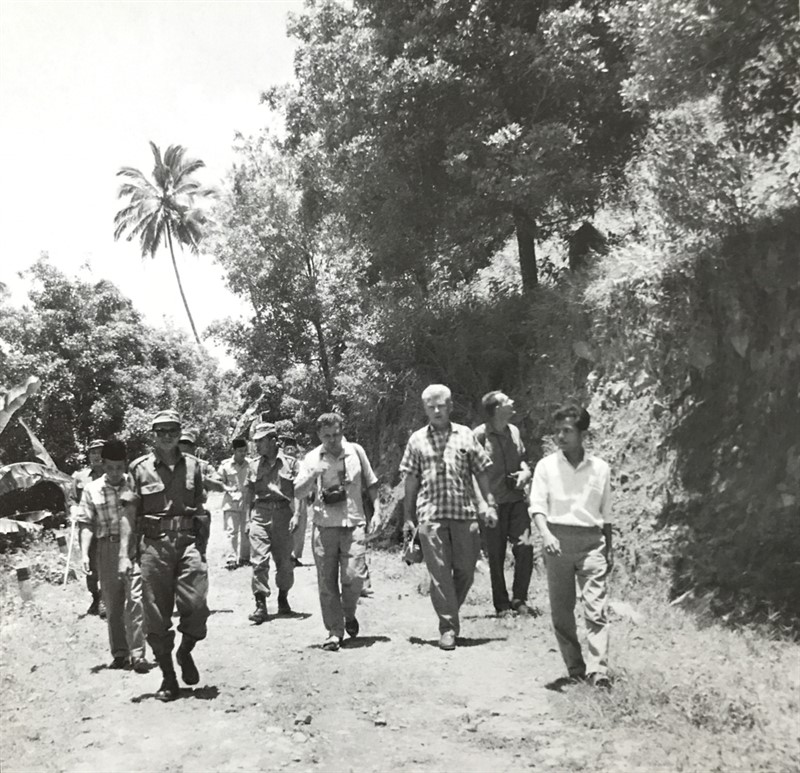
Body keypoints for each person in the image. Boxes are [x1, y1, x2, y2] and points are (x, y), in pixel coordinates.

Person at [400, 384, 497, 651]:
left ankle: (448, 610)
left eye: (441, 404)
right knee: (440, 575)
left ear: (450, 406)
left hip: (465, 514)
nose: (436, 410)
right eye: (430, 406)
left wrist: (488, 503)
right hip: (430, 517)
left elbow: (481, 470)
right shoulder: (417, 440)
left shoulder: (466, 435)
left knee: (466, 570)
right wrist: (408, 516)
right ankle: (448, 628)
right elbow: (410, 480)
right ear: (424, 409)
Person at [125, 410, 210, 702]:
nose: (166, 434)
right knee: (156, 615)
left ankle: (185, 651)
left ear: (179, 431)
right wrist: (128, 553)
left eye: (172, 429)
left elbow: (201, 509)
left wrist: (203, 546)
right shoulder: (139, 469)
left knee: (197, 605)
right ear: (153, 434)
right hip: (154, 546)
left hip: (187, 543)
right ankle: (168, 677)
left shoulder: (194, 467)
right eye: (160, 430)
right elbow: (130, 514)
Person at [529, 403, 613, 689]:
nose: (560, 437)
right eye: (557, 432)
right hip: (557, 543)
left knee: (596, 608)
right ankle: (575, 668)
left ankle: (598, 670)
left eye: (567, 431)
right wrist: (547, 535)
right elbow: (537, 506)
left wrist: (608, 548)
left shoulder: (600, 469)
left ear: (581, 434)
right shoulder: (546, 467)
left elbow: (607, 513)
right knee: (562, 611)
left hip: (592, 543)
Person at [295, 413, 378, 651]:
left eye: (337, 434)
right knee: (327, 583)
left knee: (354, 577)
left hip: (353, 524)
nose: (333, 440)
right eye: (327, 436)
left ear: (342, 431)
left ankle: (348, 613)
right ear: (319, 436)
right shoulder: (311, 458)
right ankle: (334, 631)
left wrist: (379, 511)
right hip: (324, 527)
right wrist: (314, 474)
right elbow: (298, 492)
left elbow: (371, 483)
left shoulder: (356, 452)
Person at [78, 439, 148, 673]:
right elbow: (86, 523)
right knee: (113, 602)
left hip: (134, 547)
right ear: (103, 464)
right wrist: (85, 554)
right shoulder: (92, 489)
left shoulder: (135, 485)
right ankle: (120, 653)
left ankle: (138, 654)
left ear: (125, 464)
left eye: (120, 467)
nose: (115, 472)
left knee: (136, 600)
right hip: (106, 549)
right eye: (110, 467)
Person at [474, 391, 537, 617]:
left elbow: (522, 460)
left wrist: (526, 473)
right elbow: (471, 471)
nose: (512, 402)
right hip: (494, 506)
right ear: (496, 409)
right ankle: (501, 605)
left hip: (517, 502)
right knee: (496, 555)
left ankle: (519, 599)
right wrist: (482, 503)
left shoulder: (514, 432)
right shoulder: (479, 436)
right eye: (507, 401)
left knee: (526, 547)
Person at [245, 422, 297, 624]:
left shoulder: (291, 464)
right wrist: (247, 520)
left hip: (284, 514)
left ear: (274, 441)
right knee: (259, 560)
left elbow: (298, 493)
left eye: (261, 441)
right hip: (260, 513)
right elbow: (248, 495)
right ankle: (260, 605)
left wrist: (297, 515)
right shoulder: (253, 465)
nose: (257, 445)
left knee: (285, 563)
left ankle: (283, 597)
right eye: (255, 441)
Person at [70, 439, 106, 617]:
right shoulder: (80, 477)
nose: (97, 455)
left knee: (109, 565)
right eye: (93, 452)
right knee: (90, 567)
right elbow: (72, 499)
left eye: (100, 452)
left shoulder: (115, 474)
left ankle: (107, 599)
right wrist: (72, 509)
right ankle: (95, 596)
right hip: (88, 529)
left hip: (109, 528)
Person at [218, 437, 251, 570]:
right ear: (234, 451)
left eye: (245, 451)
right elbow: (219, 482)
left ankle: (245, 558)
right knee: (232, 532)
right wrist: (228, 488)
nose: (243, 453)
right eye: (240, 451)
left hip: (247, 502)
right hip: (231, 503)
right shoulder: (225, 465)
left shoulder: (250, 464)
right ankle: (231, 559)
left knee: (246, 531)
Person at [279, 432, 307, 567]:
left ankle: (295, 555)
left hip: (300, 497)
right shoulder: (279, 462)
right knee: (284, 527)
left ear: (296, 450)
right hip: (285, 497)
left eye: (292, 448)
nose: (290, 450)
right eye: (287, 447)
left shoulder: (302, 463)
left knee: (300, 527)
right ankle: (284, 555)